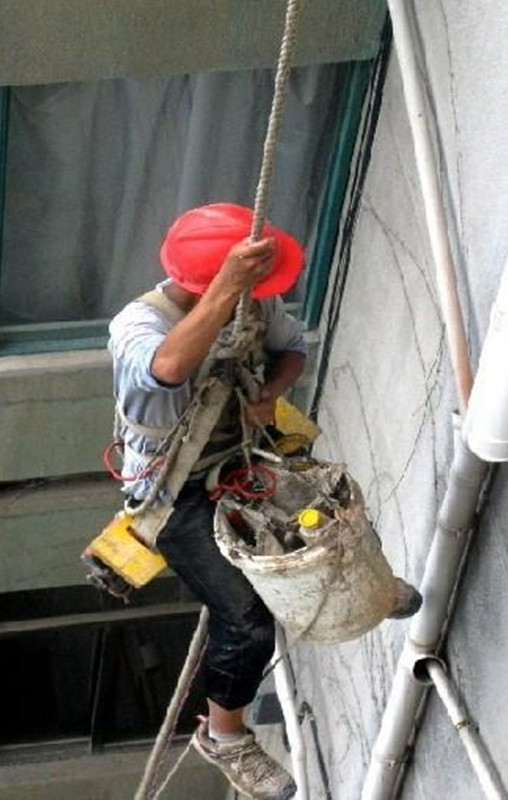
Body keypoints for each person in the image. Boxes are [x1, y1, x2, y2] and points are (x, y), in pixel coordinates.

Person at [109, 204, 306, 799]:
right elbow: (168, 368)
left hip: (244, 453)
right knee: (246, 624)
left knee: (332, 516)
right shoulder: (137, 326)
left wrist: (270, 394)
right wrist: (228, 287)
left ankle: (359, 586)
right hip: (175, 492)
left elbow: (291, 349)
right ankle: (224, 736)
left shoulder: (255, 302)